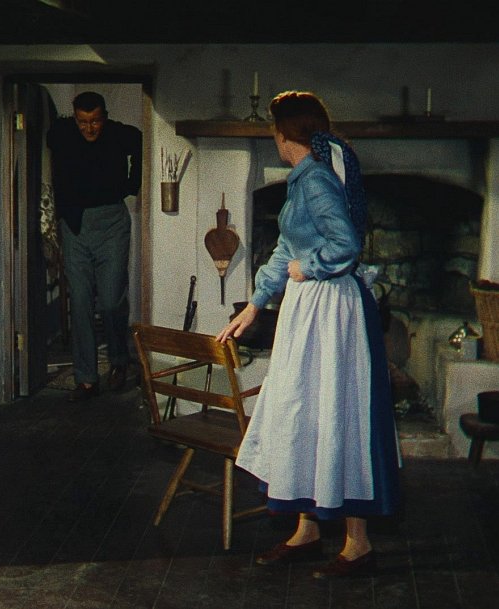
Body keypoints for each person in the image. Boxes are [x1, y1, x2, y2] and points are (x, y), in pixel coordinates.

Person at [217, 91, 400, 579]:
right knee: (305, 412)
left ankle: (358, 544)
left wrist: (308, 267)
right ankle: (307, 530)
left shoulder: (315, 179)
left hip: (332, 308)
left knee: (338, 413)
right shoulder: (303, 179)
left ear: (284, 135)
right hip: (309, 307)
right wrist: (255, 304)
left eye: (274, 131)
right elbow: (285, 248)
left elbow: (345, 246)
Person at [46, 91, 142, 401]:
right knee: (81, 302)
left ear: (105, 117)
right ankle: (86, 378)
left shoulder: (118, 134)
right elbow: (50, 139)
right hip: (75, 226)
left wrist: (132, 183)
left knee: (111, 301)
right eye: (83, 122)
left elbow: (141, 141)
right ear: (75, 118)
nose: (89, 128)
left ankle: (119, 360)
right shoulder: (62, 133)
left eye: (95, 121)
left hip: (111, 222)